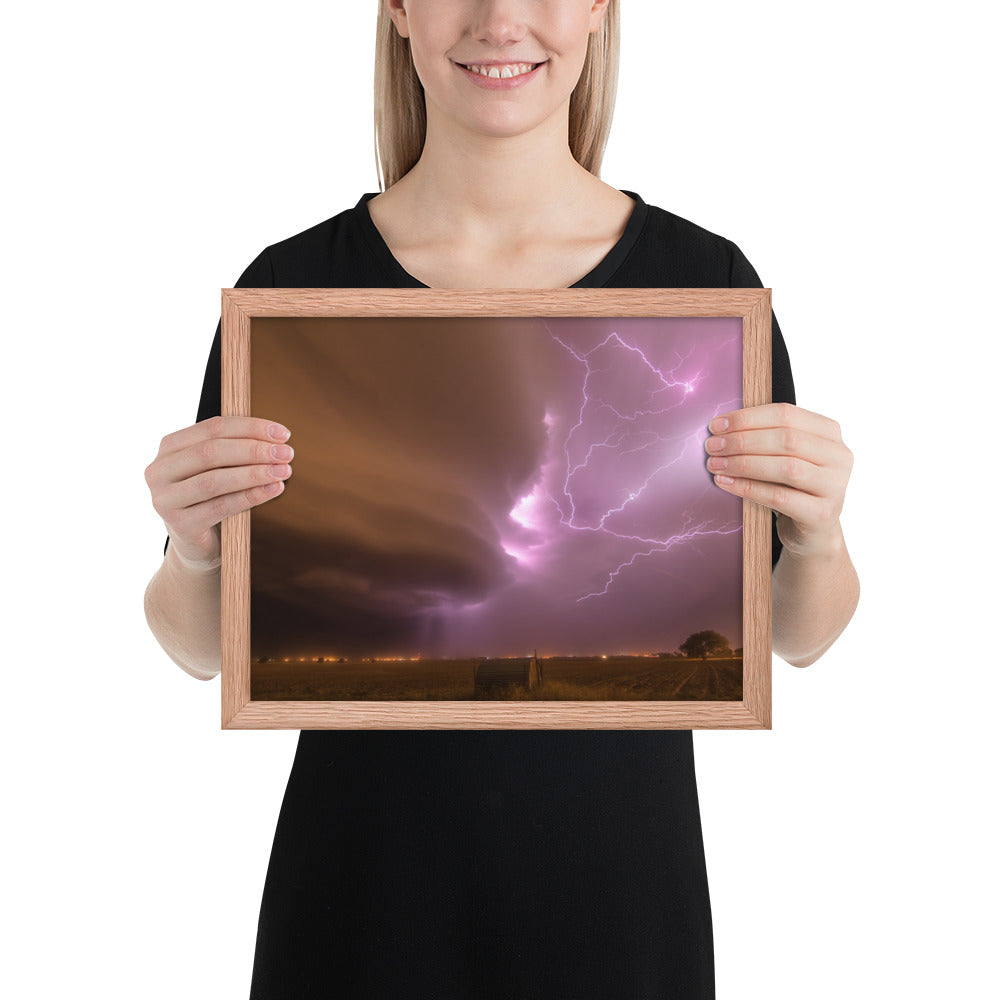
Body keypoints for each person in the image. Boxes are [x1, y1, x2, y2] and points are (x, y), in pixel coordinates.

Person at [144, 1, 859, 996]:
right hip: (360, 916)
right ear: (397, 9)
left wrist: (817, 538)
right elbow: (197, 647)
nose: (500, 18)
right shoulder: (293, 291)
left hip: (619, 918)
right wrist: (192, 551)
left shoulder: (703, 288)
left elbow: (796, 635)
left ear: (601, 8)